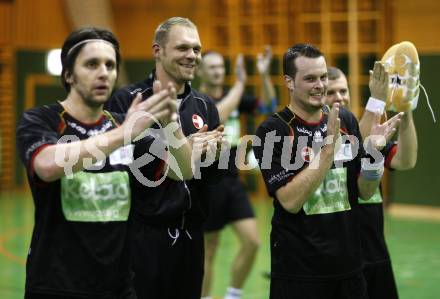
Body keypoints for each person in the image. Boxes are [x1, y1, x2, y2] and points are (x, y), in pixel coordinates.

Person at [16, 27, 176, 299]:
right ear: (68, 74)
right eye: (92, 64)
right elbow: (47, 165)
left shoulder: (125, 125)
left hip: (118, 287)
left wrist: (173, 124)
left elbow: (181, 170)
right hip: (56, 285)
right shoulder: (41, 119)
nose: (104, 72)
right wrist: (124, 134)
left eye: (110, 65)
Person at [253, 43, 402, 299]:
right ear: (289, 82)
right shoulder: (272, 131)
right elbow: (289, 201)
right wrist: (327, 152)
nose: (320, 85)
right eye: (310, 78)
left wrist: (374, 157)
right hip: (299, 273)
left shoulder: (345, 120)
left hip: (350, 270)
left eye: (322, 77)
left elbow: (365, 193)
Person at [106, 17, 223, 299]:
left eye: (196, 49)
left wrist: (215, 156)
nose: (192, 55)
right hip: (143, 239)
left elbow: (213, 178)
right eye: (183, 47)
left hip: (191, 239)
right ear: (157, 51)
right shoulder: (127, 101)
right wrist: (185, 150)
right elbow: (125, 170)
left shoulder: (205, 105)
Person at [325, 65, 417, 299]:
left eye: (343, 91)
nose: (339, 97)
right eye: (331, 92)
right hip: (338, 258)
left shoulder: (372, 131)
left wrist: (406, 112)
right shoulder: (317, 142)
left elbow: (406, 161)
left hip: (375, 252)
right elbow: (356, 144)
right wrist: (376, 100)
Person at [197, 48, 276, 299]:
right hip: (206, 183)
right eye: (212, 67)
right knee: (209, 250)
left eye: (221, 66)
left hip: (232, 182)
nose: (218, 71)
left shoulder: (235, 96)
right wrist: (240, 84)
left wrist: (262, 75)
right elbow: (217, 113)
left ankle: (233, 294)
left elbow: (269, 104)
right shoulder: (197, 101)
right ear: (200, 71)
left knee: (252, 242)